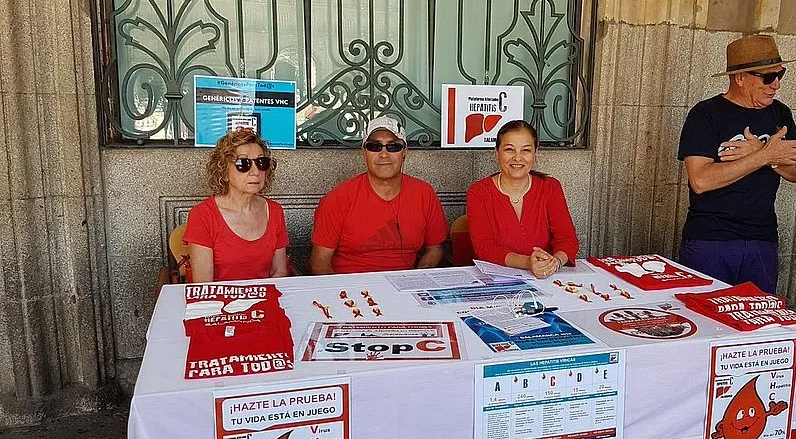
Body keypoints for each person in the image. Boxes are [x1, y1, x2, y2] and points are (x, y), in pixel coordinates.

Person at [678, 34, 796, 292]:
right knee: (705, 319)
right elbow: (701, 180)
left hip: (762, 239)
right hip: (711, 239)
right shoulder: (706, 114)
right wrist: (763, 156)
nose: (776, 85)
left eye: (780, 74)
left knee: (757, 318)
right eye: (767, 77)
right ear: (740, 77)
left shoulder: (780, 113)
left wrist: (766, 154)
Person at [310, 116, 447, 274]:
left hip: (403, 288)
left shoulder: (424, 193)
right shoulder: (338, 198)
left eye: (393, 147)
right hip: (352, 290)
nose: (383, 154)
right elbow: (319, 263)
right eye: (374, 146)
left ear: (404, 152)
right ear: (364, 153)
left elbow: (435, 249)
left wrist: (421, 275)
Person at [466, 120, 579, 279]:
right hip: (497, 280)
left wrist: (554, 263)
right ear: (497, 152)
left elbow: (567, 239)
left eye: (526, 150)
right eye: (509, 150)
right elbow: (484, 247)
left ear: (535, 153)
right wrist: (528, 263)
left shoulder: (550, 187)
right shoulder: (479, 193)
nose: (517, 158)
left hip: (546, 277)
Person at [183, 129, 289, 282]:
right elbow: (204, 284)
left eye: (261, 163)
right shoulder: (203, 215)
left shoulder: (275, 211)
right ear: (224, 172)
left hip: (265, 300)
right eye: (243, 164)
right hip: (220, 302)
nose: (255, 172)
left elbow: (278, 272)